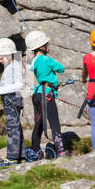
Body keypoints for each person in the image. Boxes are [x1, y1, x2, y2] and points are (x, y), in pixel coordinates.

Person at [26, 29, 66, 158]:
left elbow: (31, 70)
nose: (49, 46)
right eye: (47, 44)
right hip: (47, 93)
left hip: (37, 94)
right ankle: (60, 151)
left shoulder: (34, 61)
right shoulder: (47, 60)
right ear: (42, 47)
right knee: (54, 123)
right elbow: (61, 68)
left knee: (38, 123)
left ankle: (36, 150)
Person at [0, 37, 25, 163]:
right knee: (15, 127)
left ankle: (13, 157)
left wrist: (0, 90)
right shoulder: (9, 67)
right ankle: (21, 155)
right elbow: (6, 84)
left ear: (9, 54)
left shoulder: (15, 66)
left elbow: (19, 85)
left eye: (1, 59)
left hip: (12, 101)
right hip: (9, 100)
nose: (0, 61)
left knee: (13, 128)